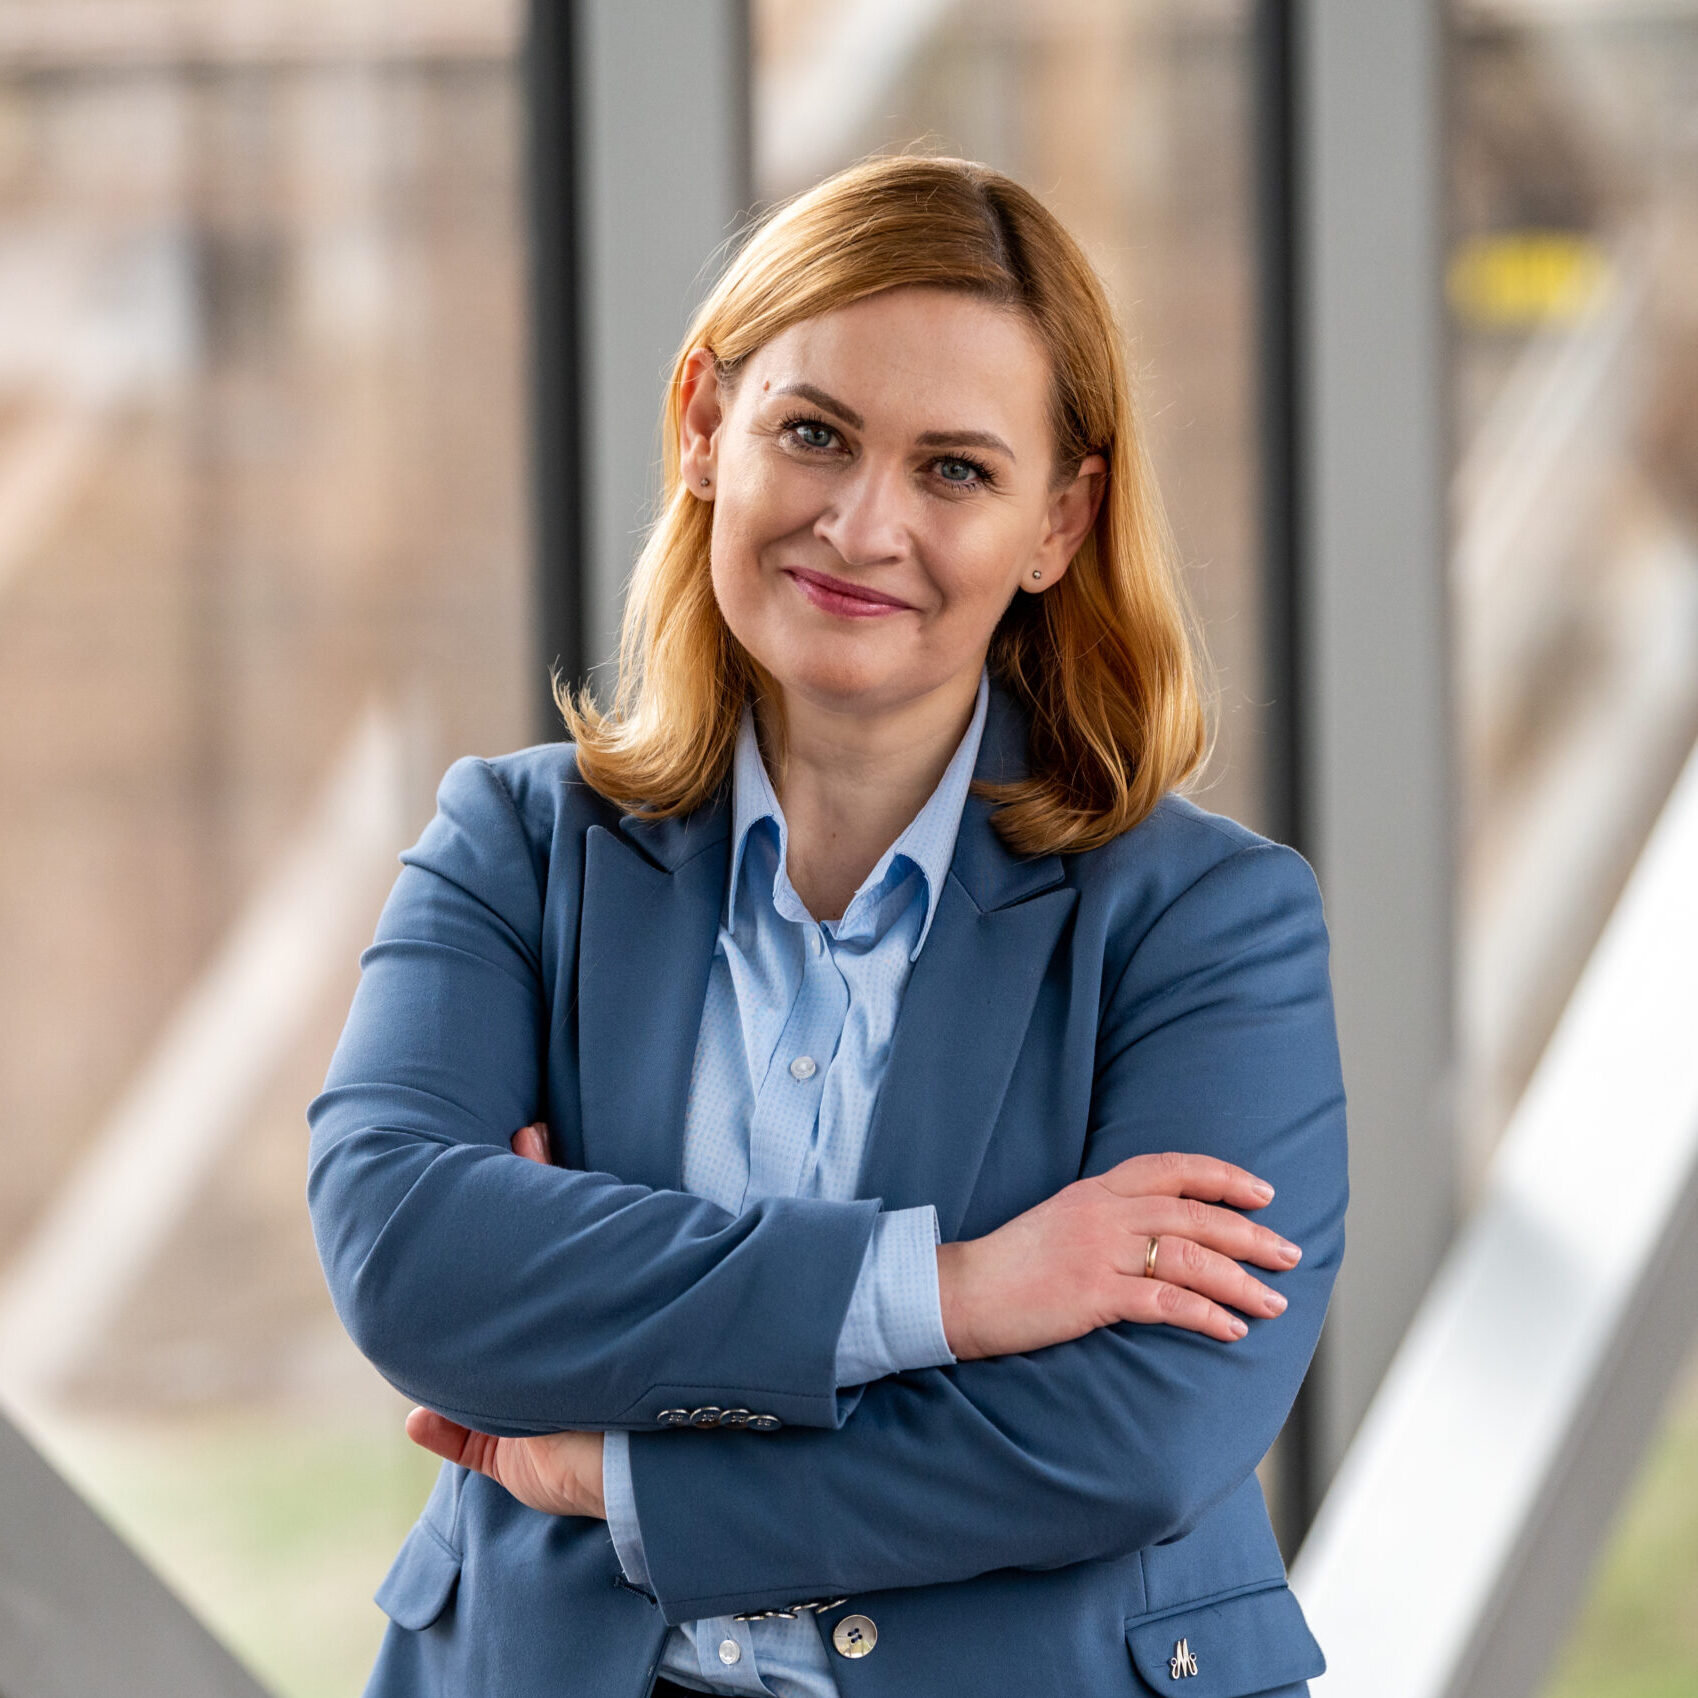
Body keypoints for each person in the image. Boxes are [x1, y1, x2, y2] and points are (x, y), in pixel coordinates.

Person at [307, 153, 1347, 1698]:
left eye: (954, 470)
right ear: (703, 425)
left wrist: (628, 1468)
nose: (862, 526)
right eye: (815, 434)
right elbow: (410, 1260)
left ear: (1059, 520)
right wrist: (953, 1293)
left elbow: (1132, 1436)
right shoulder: (514, 847)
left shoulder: (1207, 924)